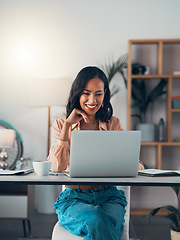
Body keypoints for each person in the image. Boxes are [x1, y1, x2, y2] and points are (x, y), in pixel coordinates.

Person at [47, 66, 144, 240]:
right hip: (74, 198)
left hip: (109, 196)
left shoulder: (113, 123)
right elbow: (56, 167)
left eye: (98, 94)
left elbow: (133, 163)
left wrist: (132, 164)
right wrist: (68, 127)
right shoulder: (61, 124)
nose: (92, 100)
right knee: (99, 221)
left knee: (101, 222)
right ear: (77, 93)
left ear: (105, 93)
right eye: (86, 93)